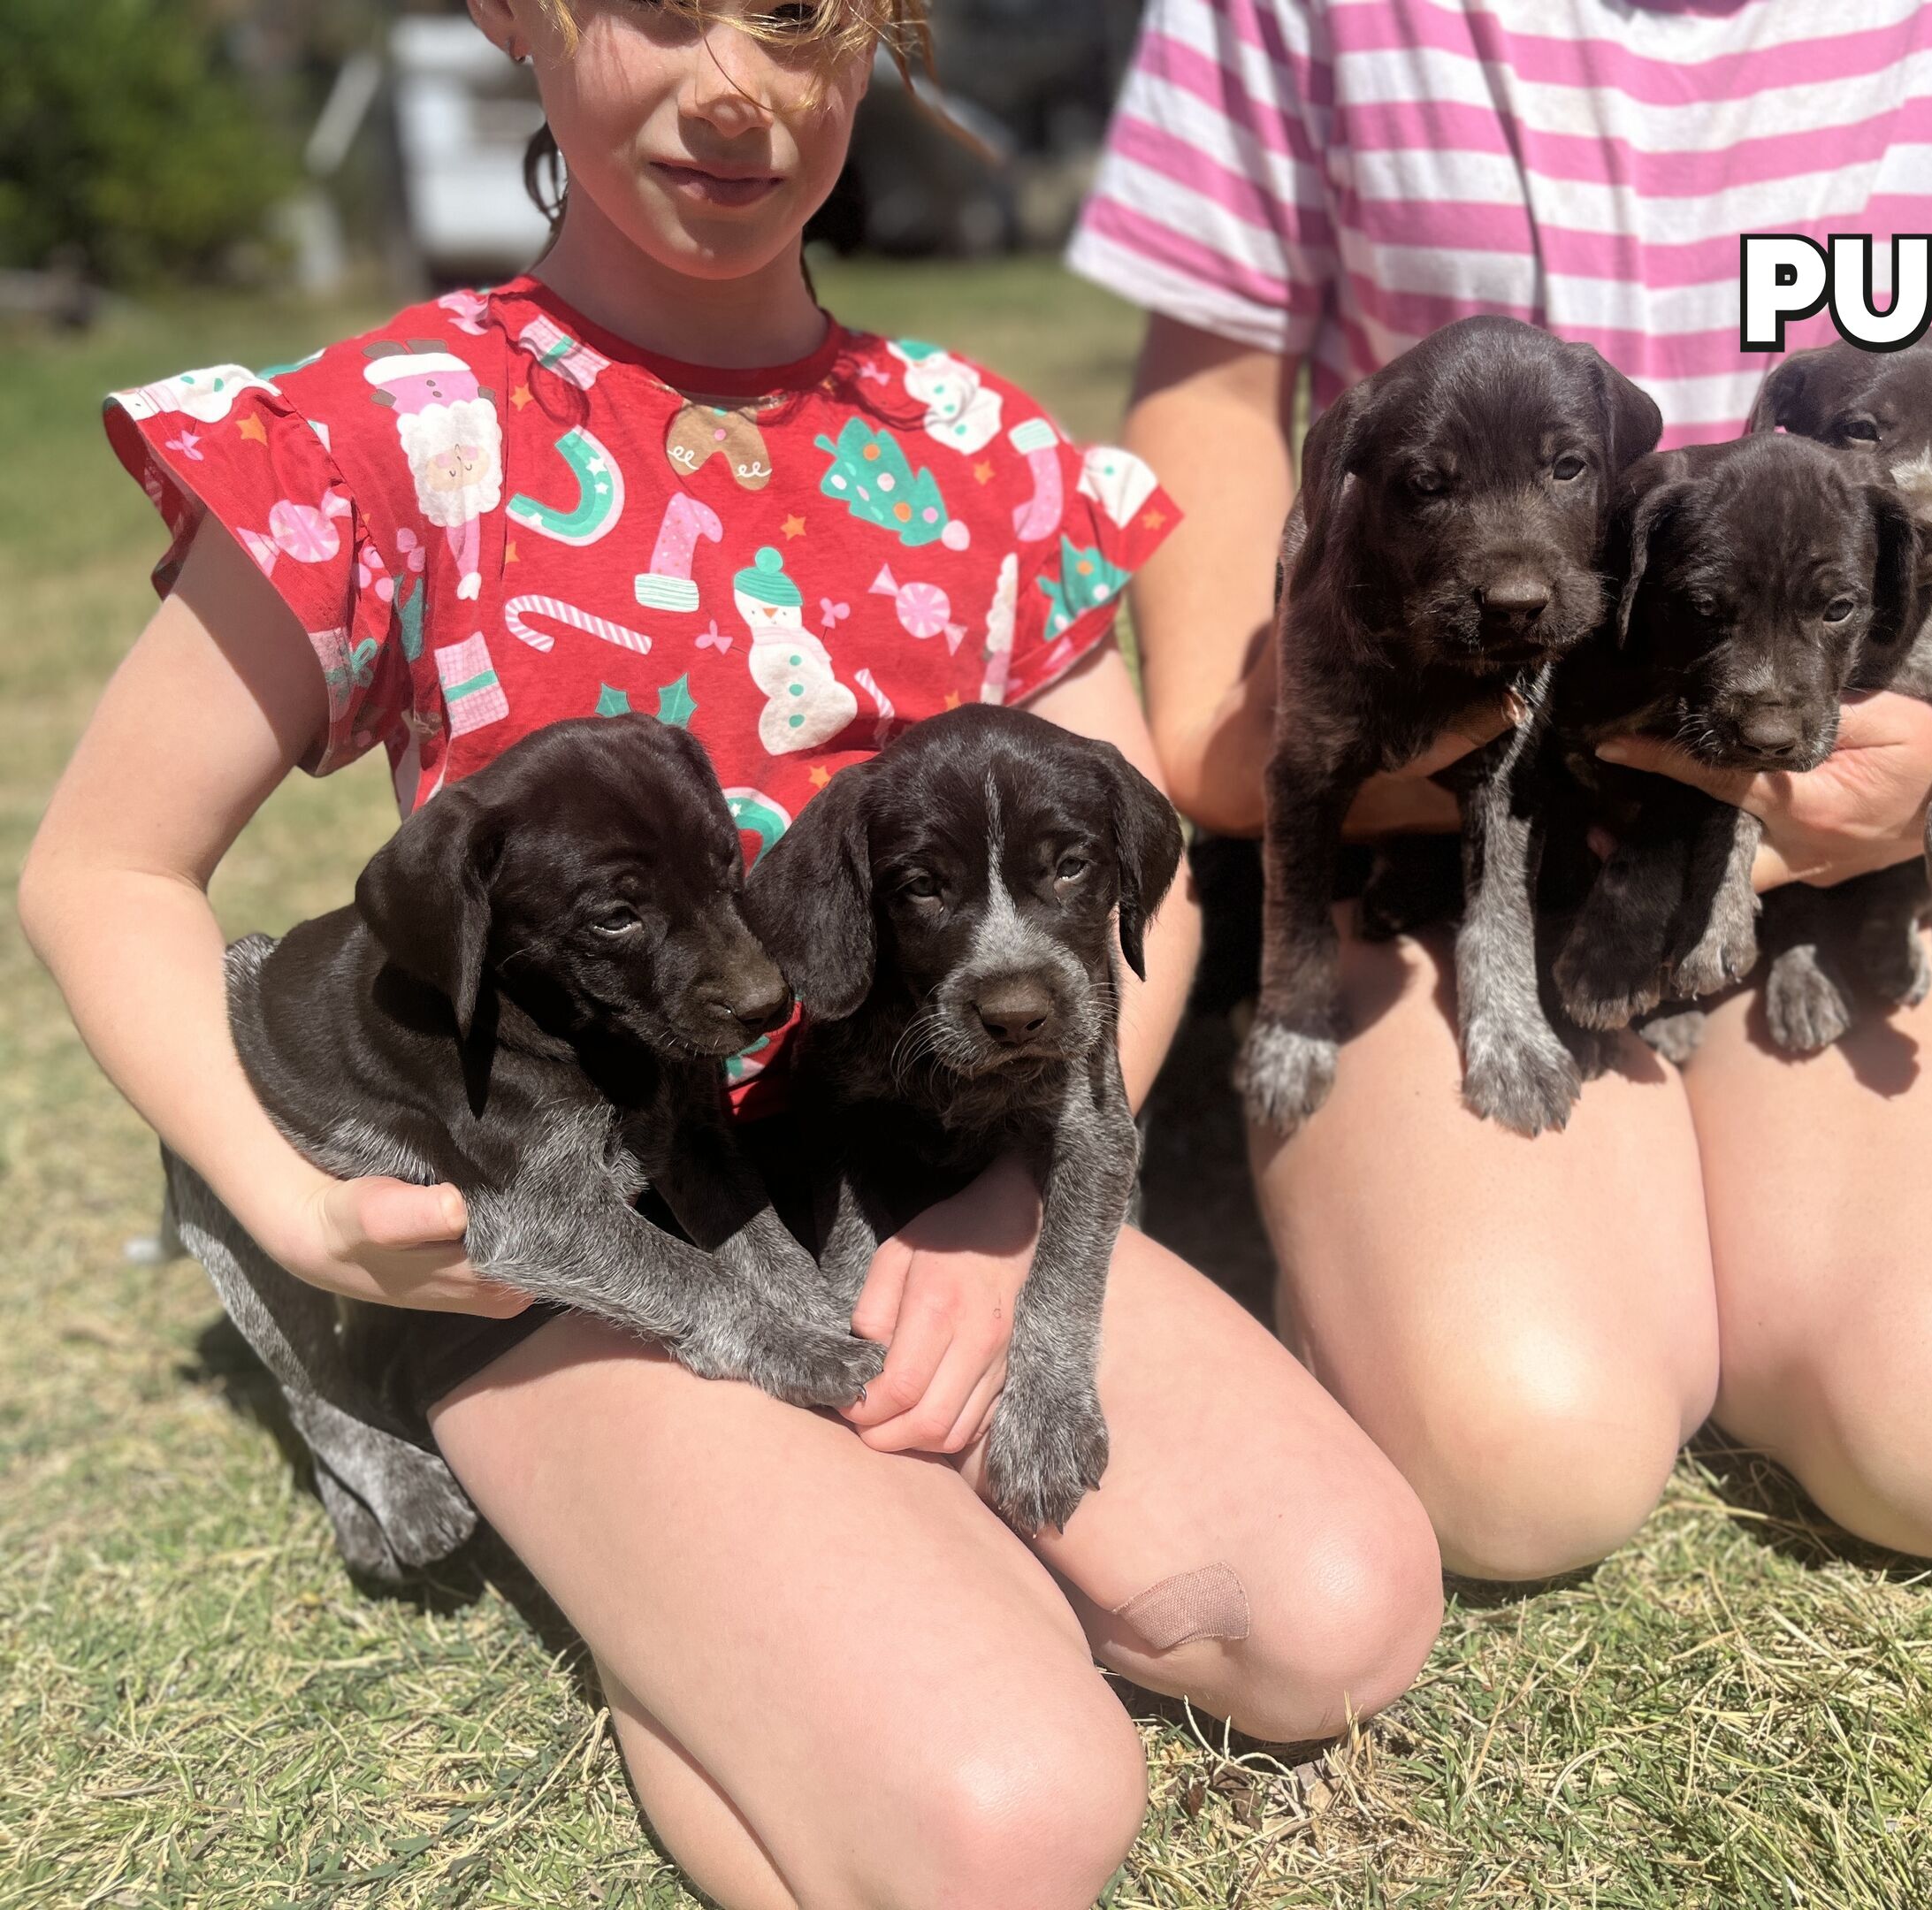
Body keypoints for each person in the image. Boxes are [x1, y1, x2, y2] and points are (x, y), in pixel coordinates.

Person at [18, 4, 1444, 1906]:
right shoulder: (390, 433)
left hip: (912, 1171)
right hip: (589, 1243)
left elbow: (1133, 895)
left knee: (1341, 1615)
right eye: (664, 7)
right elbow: (106, 874)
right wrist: (294, 1209)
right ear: (519, 17)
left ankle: (778, 1600)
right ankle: (695, 1581)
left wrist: (1007, 1204)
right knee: (1009, 1815)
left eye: (796, 18)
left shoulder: (976, 456)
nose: (735, 84)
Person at [1068, 0, 1932, 1580]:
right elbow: (1213, 387)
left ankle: (1901, 922)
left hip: (1841, 806)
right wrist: (1265, 719)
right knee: (1524, 1454)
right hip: (1460, 800)